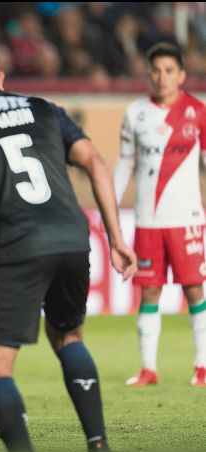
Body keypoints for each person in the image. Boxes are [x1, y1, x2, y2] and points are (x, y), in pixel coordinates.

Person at [0, 39, 136, 452]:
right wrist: (116, 237)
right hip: (73, 235)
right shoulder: (42, 108)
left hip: (18, 243)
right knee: (68, 337)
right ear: (0, 79)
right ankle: (98, 445)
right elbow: (96, 162)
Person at [114, 42, 206, 388]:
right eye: (156, 70)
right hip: (147, 222)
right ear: (148, 74)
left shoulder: (198, 111)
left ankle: (202, 365)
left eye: (169, 70)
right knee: (149, 293)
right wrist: (112, 205)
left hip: (187, 220)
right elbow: (125, 163)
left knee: (195, 289)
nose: (161, 76)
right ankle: (148, 368)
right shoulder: (136, 113)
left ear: (181, 75)